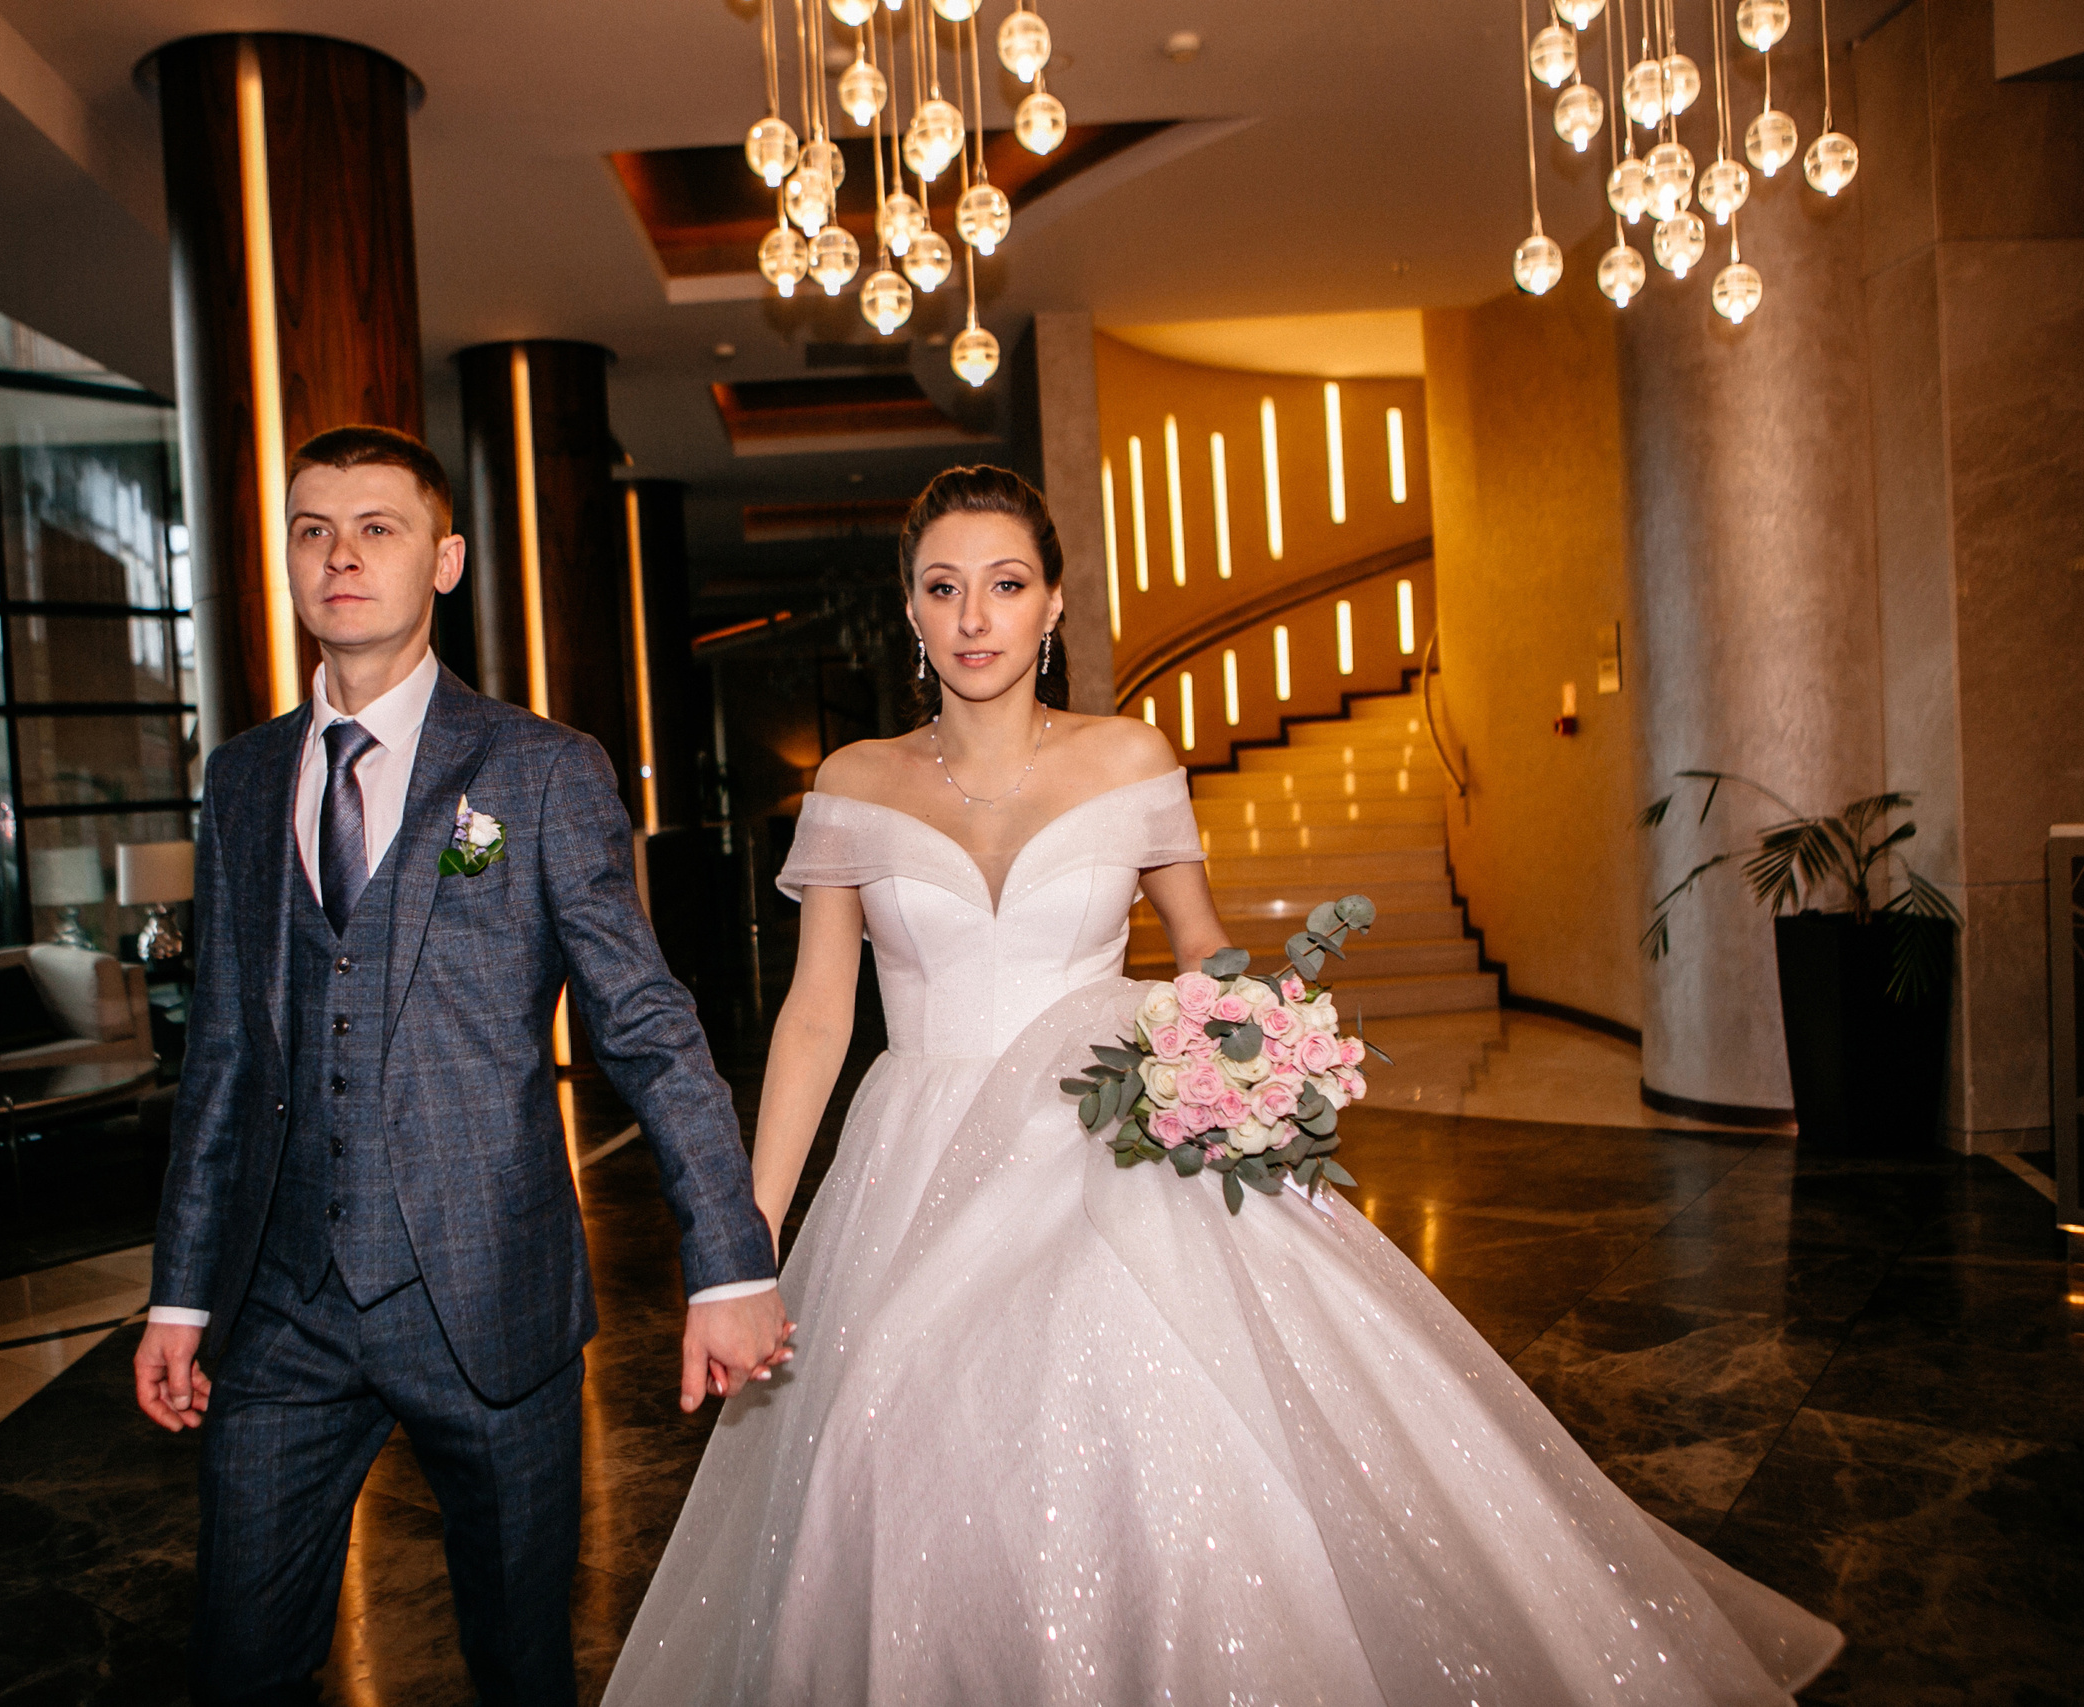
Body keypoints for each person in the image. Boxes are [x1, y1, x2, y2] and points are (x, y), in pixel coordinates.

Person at [606, 465, 1841, 1705]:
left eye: (1006, 583)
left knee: (1152, 1443)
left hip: (1099, 1136)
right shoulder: (857, 782)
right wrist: (749, 1226)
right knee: (892, 1441)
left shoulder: (1130, 755)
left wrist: (1250, 1040)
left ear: (1054, 607)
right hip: (916, 1152)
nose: (975, 615)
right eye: (943, 588)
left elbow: (1197, 943)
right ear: (911, 613)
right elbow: (819, 1014)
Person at [133, 424, 791, 1707]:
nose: (340, 556)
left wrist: (728, 1254)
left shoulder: (540, 772)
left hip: (491, 1303)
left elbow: (646, 1026)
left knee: (518, 1662)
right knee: (238, 1662)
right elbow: (222, 1052)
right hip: (280, 1316)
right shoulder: (244, 779)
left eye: (376, 528)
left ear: (444, 559)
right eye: (311, 529)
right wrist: (180, 1298)